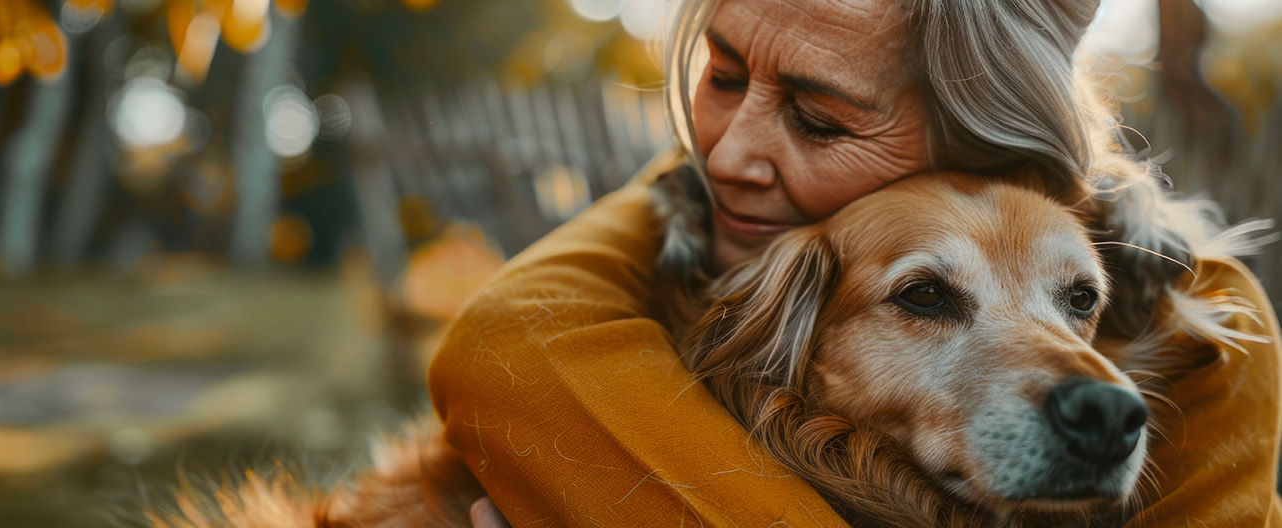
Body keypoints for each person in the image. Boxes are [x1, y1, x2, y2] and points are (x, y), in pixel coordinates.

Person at [430, 0, 1282, 525]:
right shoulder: (725, 241)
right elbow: (502, 337)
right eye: (721, 74)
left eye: (821, 120)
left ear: (977, 138)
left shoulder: (1203, 330)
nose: (723, 156)